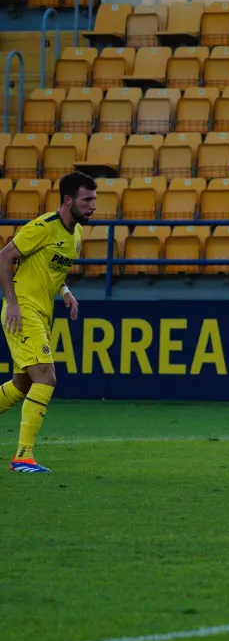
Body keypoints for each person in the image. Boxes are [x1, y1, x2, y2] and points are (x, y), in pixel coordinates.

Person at [0, 171, 96, 474]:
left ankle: (23, 457)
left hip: (42, 313)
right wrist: (12, 303)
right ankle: (23, 457)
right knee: (46, 377)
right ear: (68, 200)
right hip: (23, 310)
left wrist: (65, 292)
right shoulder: (43, 227)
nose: (93, 206)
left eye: (94, 200)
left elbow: (53, 267)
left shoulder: (76, 234)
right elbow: (4, 257)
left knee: (22, 384)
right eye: (87, 200)